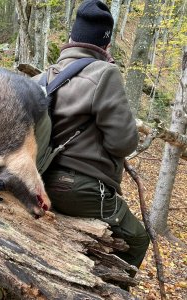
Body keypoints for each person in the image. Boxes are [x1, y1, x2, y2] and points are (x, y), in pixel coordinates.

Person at [42, 0, 150, 271]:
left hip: (36, 182)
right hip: (80, 190)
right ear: (106, 46)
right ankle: (111, 288)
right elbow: (123, 142)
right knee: (137, 239)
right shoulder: (104, 73)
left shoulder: (44, 78)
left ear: (70, 39)